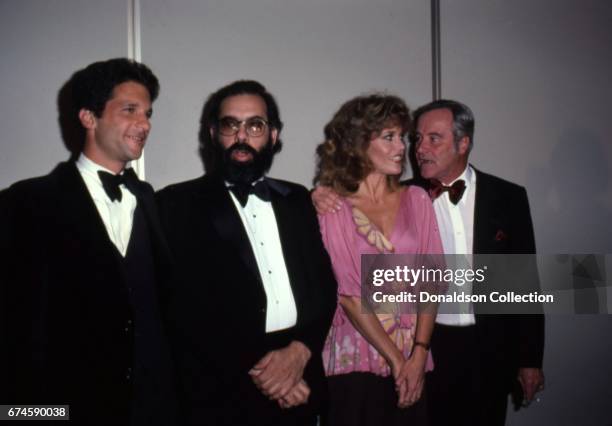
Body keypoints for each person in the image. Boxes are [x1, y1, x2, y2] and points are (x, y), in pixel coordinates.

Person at [313, 99, 545, 426]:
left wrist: (530, 358)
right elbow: (349, 284)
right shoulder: (410, 194)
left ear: (463, 143)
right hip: (428, 344)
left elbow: (523, 282)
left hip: (488, 347)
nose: (418, 148)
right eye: (417, 138)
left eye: (433, 139)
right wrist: (315, 195)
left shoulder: (508, 196)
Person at [0, 58, 177, 425]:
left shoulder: (151, 200)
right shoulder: (26, 202)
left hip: (152, 408)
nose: (144, 124)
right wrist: (26, 416)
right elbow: (13, 328)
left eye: (148, 113)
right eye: (130, 110)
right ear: (88, 117)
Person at [156, 80, 337, 426]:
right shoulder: (175, 204)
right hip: (224, 393)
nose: (242, 136)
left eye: (255, 125)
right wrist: (270, 375)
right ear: (213, 133)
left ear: (273, 135)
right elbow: (183, 307)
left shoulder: (297, 199)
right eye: (230, 125)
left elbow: (323, 287)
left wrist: (300, 353)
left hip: (302, 385)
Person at [313, 93, 443, 426]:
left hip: (414, 358)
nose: (402, 147)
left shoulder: (417, 200)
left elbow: (432, 281)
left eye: (402, 137)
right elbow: (350, 297)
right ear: (358, 143)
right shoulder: (334, 208)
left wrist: (419, 353)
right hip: (354, 362)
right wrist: (398, 361)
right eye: (389, 137)